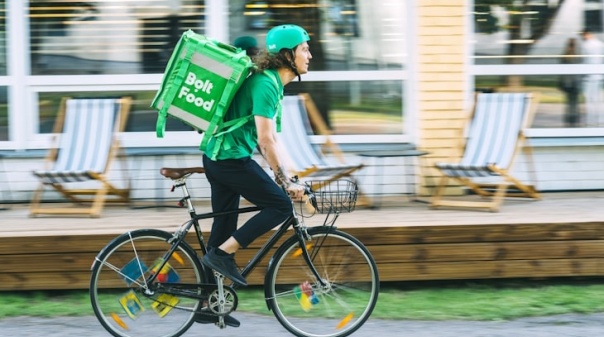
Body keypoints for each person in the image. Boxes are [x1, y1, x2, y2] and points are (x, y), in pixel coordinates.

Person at [201, 25, 311, 286]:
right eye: (304, 49)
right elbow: (264, 140)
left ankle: (209, 301)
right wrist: (284, 183)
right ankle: (223, 254)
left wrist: (290, 176)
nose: (310, 55)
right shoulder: (265, 84)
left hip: (220, 158)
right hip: (230, 160)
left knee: (224, 228)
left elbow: (274, 140)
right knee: (280, 206)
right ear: (287, 55)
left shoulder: (272, 83)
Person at [580, 28, 604, 126]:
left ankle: (590, 120)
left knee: (589, 98)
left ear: (586, 34)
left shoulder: (586, 45)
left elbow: (584, 60)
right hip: (598, 74)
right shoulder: (600, 44)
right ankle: (600, 118)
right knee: (598, 98)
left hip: (589, 75)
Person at [559, 38, 581, 127]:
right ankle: (570, 120)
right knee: (570, 103)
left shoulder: (576, 56)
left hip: (574, 82)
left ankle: (573, 120)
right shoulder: (566, 56)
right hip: (569, 82)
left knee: (573, 103)